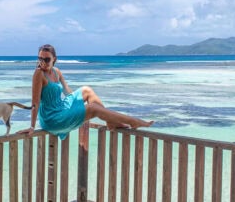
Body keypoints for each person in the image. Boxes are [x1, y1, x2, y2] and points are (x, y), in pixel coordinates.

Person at [19, 44, 153, 139]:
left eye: (47, 59)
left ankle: (110, 121)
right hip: (52, 118)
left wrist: (76, 105)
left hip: (61, 108)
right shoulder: (38, 74)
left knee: (86, 90)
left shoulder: (56, 71)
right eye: (40, 59)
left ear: (54, 59)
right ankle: (133, 121)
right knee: (93, 108)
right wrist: (32, 127)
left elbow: (67, 92)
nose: (43, 62)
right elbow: (35, 102)